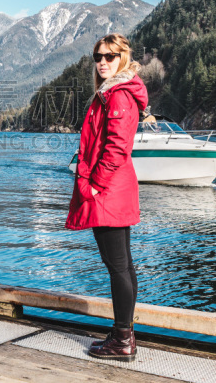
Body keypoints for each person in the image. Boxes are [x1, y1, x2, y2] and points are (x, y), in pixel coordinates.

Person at [66, 33, 148, 362]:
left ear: (123, 58)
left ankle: (123, 340)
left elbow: (116, 147)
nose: (103, 61)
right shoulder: (112, 92)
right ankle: (123, 334)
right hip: (115, 189)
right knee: (123, 265)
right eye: (98, 56)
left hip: (109, 191)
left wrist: (94, 185)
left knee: (117, 267)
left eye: (110, 56)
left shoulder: (118, 95)